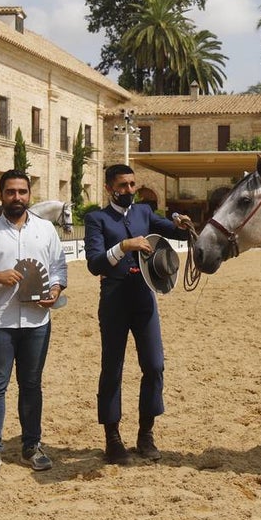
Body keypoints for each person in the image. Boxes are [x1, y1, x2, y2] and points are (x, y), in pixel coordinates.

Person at [84, 164, 193, 464]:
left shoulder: (144, 212)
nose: (129, 190)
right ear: (109, 188)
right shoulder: (96, 219)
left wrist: (182, 223)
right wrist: (123, 246)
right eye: (123, 185)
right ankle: (112, 439)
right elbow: (94, 263)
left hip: (145, 298)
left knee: (155, 366)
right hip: (114, 299)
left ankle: (146, 434)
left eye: (132, 184)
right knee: (112, 369)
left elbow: (173, 231)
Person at [0, 169, 67, 476]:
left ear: (29, 195)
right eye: (10, 192)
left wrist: (56, 290)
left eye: (22, 192)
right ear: (0, 195)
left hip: (37, 321)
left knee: (31, 385)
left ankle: (31, 446)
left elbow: (59, 268)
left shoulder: (46, 230)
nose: (17, 197)